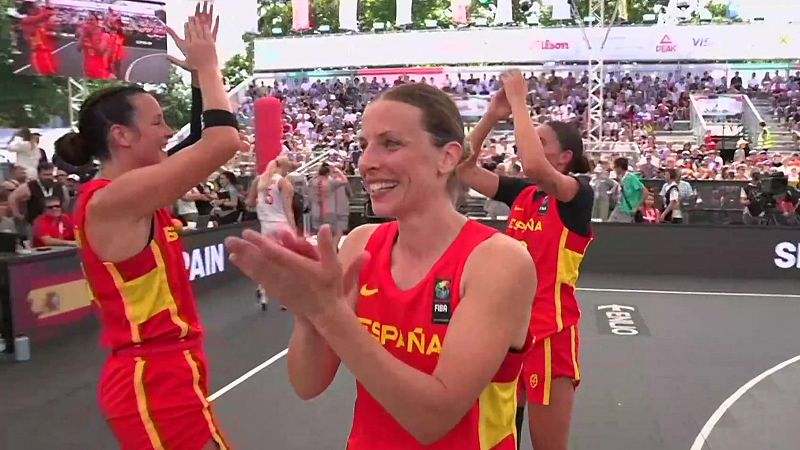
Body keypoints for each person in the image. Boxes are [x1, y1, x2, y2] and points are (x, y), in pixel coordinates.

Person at [225, 82, 537, 449]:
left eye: (390, 144)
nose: (366, 162)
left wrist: (328, 312)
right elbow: (308, 383)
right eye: (364, 145)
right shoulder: (362, 243)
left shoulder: (498, 260)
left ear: (447, 158)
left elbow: (432, 418)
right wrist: (307, 312)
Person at [54, 5, 242, 449]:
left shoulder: (136, 192)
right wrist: (210, 65)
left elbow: (200, 141)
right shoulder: (112, 200)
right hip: (153, 377)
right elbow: (223, 141)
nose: (168, 131)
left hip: (171, 370)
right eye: (157, 122)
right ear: (121, 135)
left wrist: (199, 77)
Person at [457, 70, 594, 450]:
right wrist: (491, 114)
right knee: (499, 438)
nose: (532, 142)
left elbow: (535, 164)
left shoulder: (577, 195)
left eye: (542, 139)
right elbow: (462, 167)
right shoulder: (523, 193)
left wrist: (520, 102)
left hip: (551, 335)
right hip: (508, 331)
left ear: (565, 157)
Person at [246, 155, 296, 310]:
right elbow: (289, 210)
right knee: (287, 262)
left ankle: (262, 290)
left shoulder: (259, 180)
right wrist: (294, 229)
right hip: (281, 225)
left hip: (266, 225)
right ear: (284, 168)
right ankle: (285, 298)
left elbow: (249, 203)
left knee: (267, 261)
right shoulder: (283, 182)